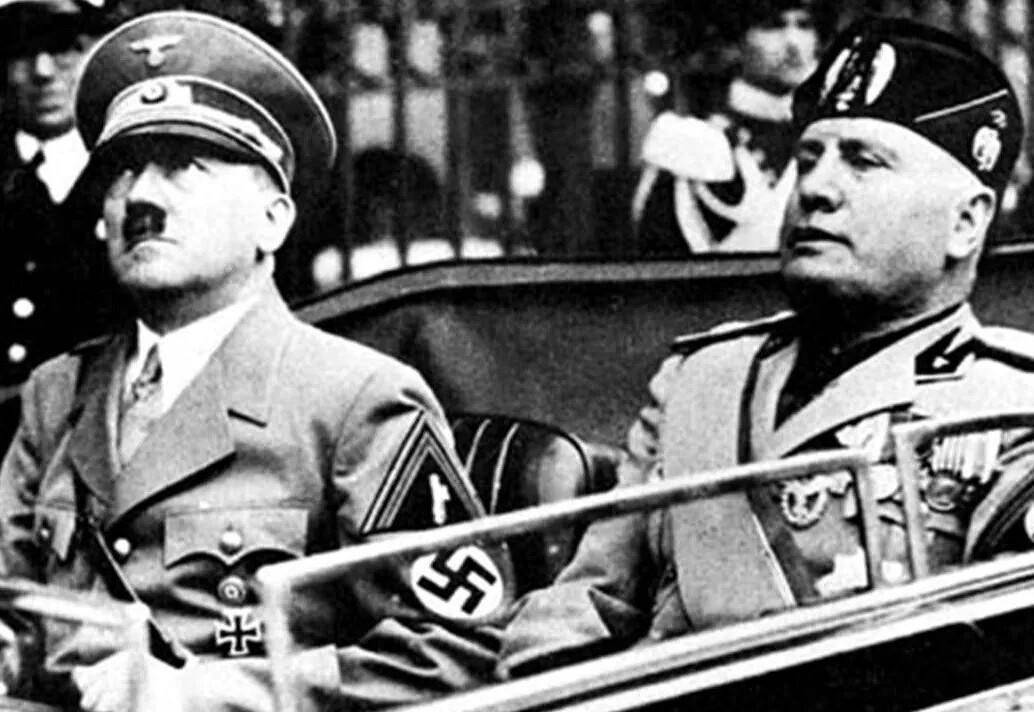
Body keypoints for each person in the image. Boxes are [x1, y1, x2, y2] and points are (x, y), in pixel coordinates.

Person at [0, 10, 503, 711]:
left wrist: (210, 693)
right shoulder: (56, 394)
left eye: (184, 167)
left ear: (273, 220)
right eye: (122, 173)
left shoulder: (356, 399)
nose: (141, 197)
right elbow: (12, 603)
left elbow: (455, 649)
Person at [500, 16, 1034, 676]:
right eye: (809, 159)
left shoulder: (1012, 408)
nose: (815, 188)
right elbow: (585, 607)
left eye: (864, 162)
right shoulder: (703, 376)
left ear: (966, 222)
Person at [633, 0, 827, 255]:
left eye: (804, 25)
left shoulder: (828, 135)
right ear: (737, 42)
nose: (793, 43)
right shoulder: (692, 143)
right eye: (772, 27)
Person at [0, 0, 123, 387]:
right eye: (21, 50)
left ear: (97, 55)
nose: (42, 70)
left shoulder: (127, 174)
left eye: (63, 48)